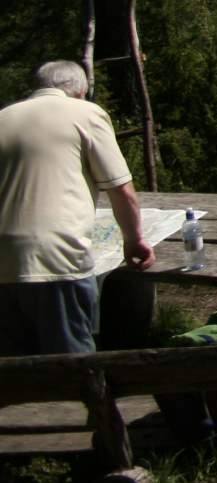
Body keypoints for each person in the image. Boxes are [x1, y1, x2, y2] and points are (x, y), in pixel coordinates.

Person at [0, 60, 154, 355]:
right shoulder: (86, 114)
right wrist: (134, 240)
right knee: (75, 369)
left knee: (13, 374)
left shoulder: (4, 117)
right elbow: (121, 189)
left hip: (3, 262)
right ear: (81, 91)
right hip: (55, 259)